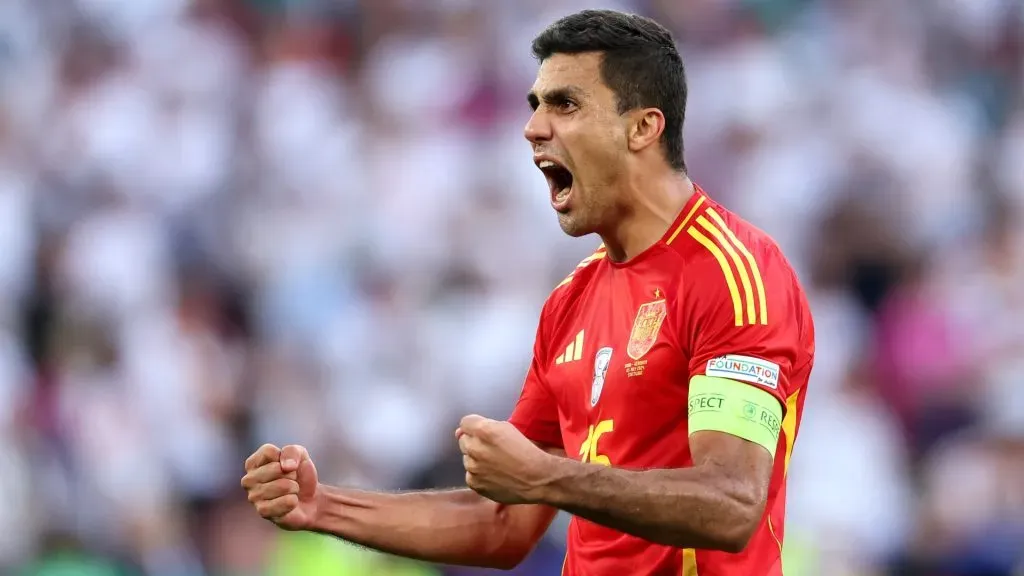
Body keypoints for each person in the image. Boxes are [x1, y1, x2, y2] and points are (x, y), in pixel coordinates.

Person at [241, 9, 814, 575]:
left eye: (565, 104)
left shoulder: (734, 275)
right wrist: (323, 507)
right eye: (536, 105)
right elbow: (502, 523)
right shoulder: (571, 301)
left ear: (643, 127)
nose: (534, 128)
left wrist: (546, 476)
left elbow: (733, 504)